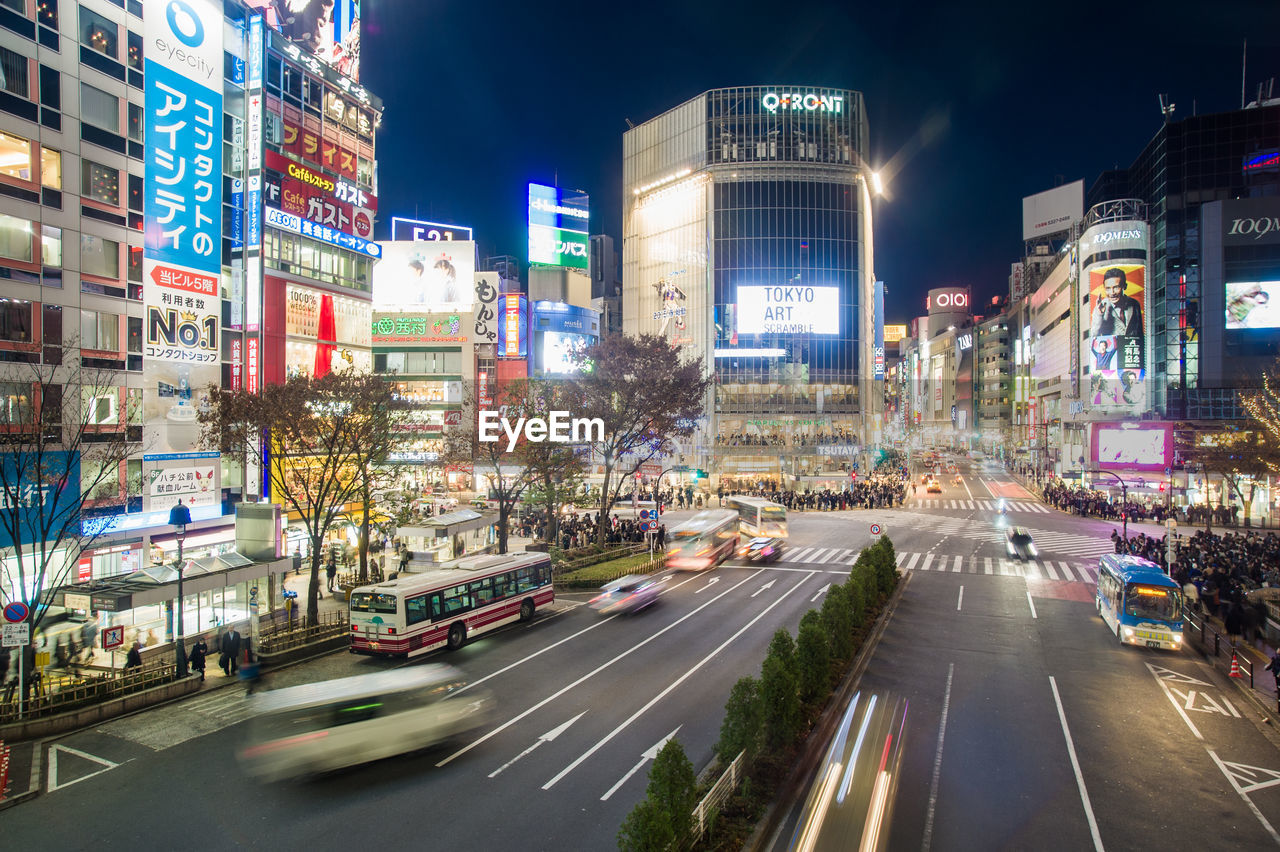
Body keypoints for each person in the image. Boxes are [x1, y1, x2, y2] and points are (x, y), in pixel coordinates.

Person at [1090, 267, 1144, 339]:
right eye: (1108, 288)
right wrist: (1100, 315)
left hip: (1130, 348)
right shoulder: (1100, 308)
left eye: (1116, 287)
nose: (1112, 293)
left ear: (1124, 286)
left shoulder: (1134, 304)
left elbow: (1139, 333)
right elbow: (1093, 336)